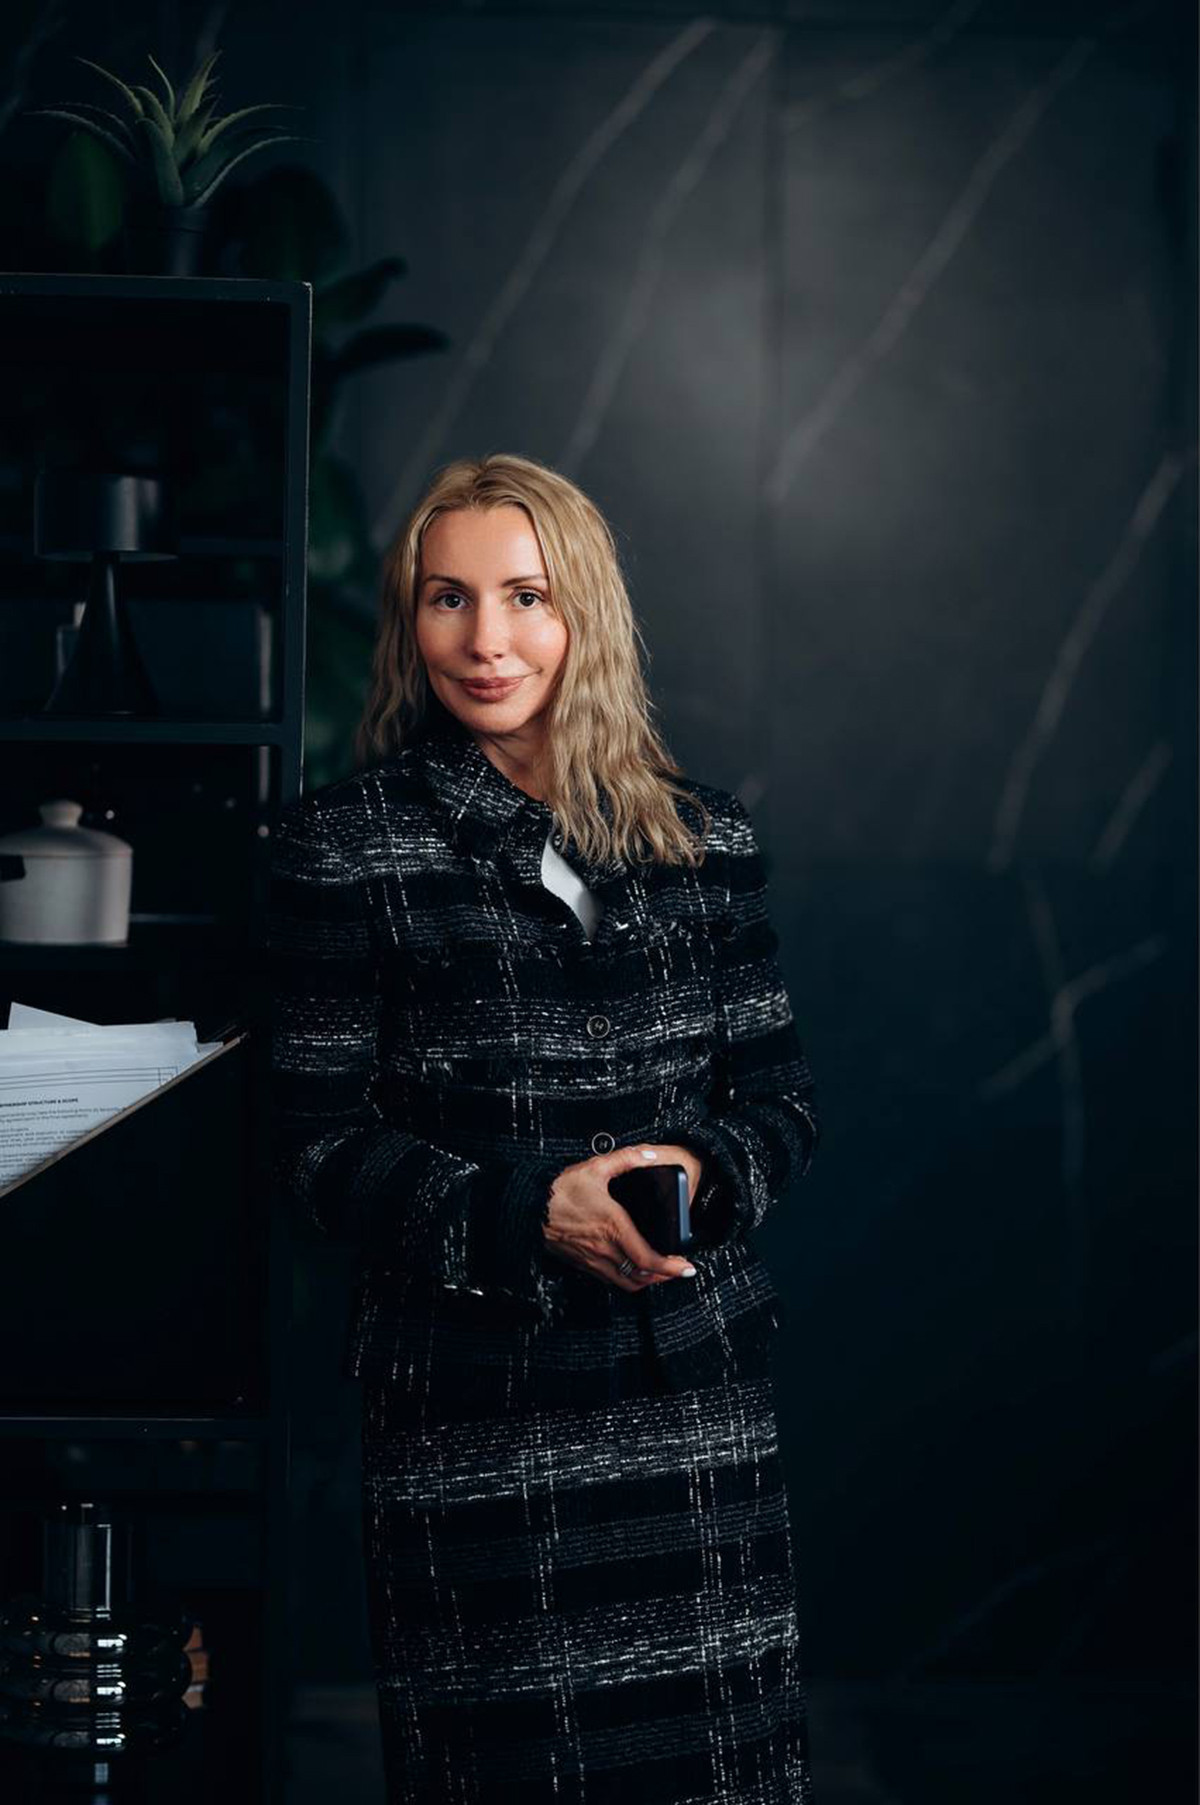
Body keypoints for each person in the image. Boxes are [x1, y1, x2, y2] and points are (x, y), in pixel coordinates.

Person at [267, 452, 821, 1803]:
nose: (486, 640)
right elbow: (312, 1147)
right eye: (447, 598)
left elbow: (783, 1104)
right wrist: (528, 1211)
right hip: (477, 1418)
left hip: (688, 1403)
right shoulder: (349, 845)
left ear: (587, 611)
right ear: (412, 622)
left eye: (525, 595)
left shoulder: (704, 839)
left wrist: (702, 1170)